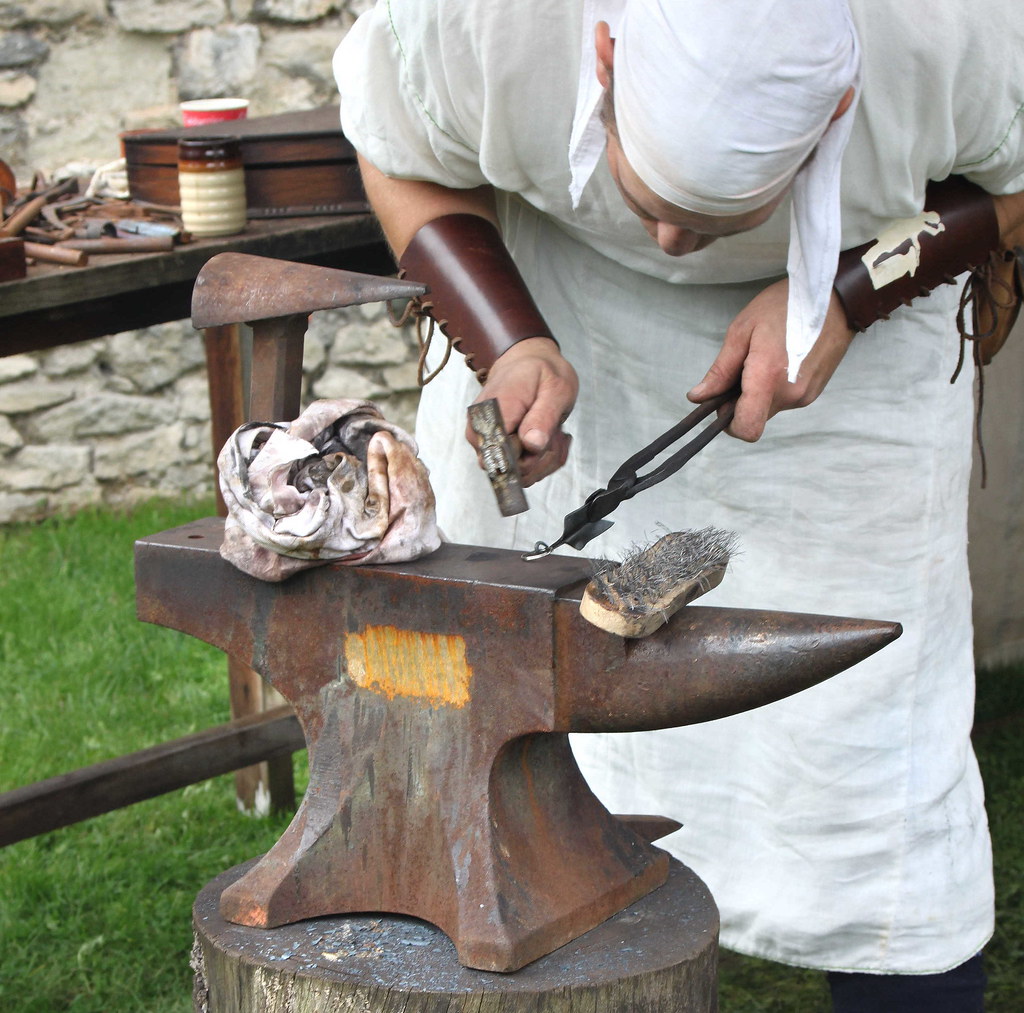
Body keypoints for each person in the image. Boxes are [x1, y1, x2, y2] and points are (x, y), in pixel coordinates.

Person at [334, 0, 1024, 1008]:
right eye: (652, 197)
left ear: (839, 107)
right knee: (516, 723)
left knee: (862, 751)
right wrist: (506, 336)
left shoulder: (949, 29)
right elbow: (397, 148)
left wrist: (842, 293)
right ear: (602, 52)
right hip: (550, 288)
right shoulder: (479, 19)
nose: (669, 240)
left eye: (708, 219)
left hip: (850, 342)